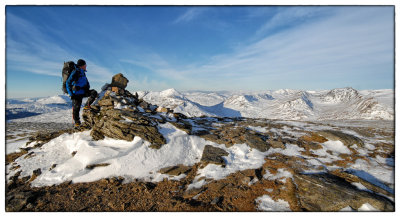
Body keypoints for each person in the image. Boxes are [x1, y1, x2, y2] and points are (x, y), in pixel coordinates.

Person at [66, 59, 98, 128]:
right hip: (76, 94)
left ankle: (87, 106)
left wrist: (87, 87)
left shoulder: (83, 72)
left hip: (83, 91)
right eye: (85, 65)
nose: (86, 66)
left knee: (94, 92)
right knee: (76, 108)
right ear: (82, 66)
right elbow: (68, 83)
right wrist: (71, 94)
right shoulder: (75, 72)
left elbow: (85, 82)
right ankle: (77, 123)